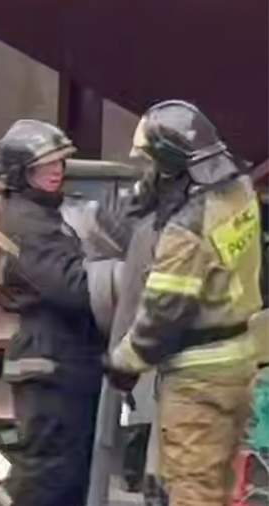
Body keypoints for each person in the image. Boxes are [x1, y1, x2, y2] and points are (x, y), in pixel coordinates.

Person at [104, 100, 263, 506]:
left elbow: (163, 314)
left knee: (193, 491)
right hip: (239, 363)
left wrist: (123, 363)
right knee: (221, 488)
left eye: (152, 163)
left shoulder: (186, 229)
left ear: (170, 163)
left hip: (197, 382)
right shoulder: (240, 192)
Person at [0, 119, 106, 506]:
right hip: (50, 358)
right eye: (43, 165)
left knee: (69, 474)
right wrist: (122, 273)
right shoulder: (26, 223)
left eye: (59, 162)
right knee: (49, 475)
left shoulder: (44, 213)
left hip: (65, 355)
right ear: (21, 171)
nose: (56, 171)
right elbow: (72, 287)